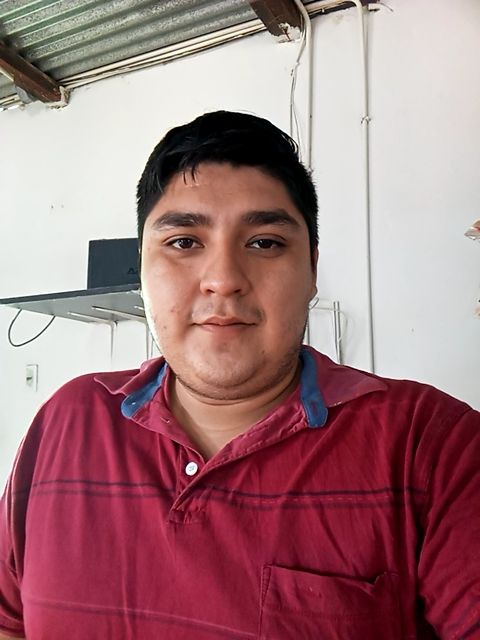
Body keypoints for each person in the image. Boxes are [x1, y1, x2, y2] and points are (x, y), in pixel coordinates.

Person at [0, 111, 478, 640]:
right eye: (184, 242)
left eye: (265, 242)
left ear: (312, 270)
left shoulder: (433, 444)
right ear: (142, 269)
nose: (223, 280)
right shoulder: (65, 421)